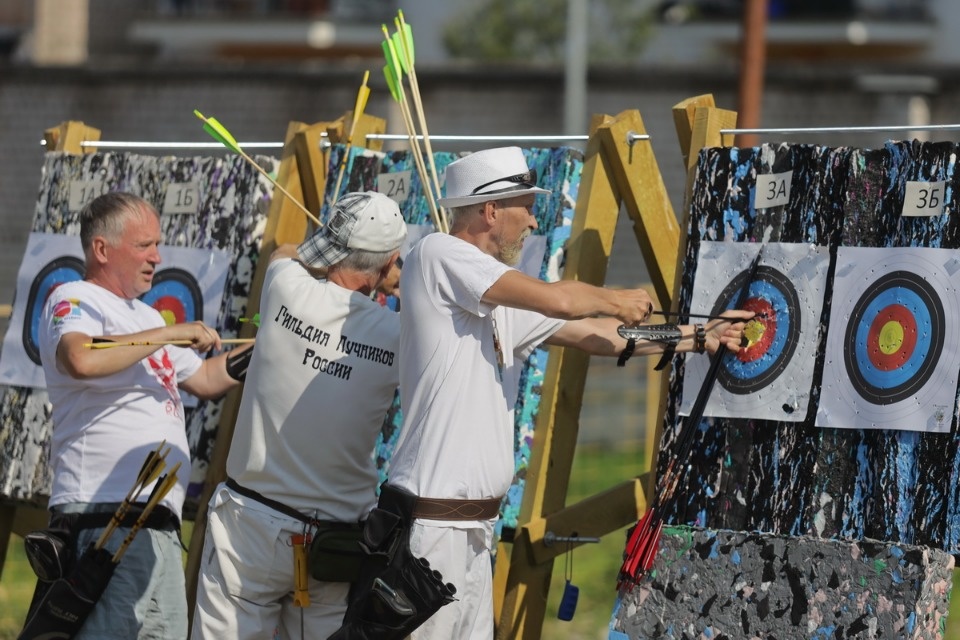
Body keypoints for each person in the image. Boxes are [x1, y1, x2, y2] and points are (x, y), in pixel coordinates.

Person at [386, 146, 753, 639]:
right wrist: (613, 297)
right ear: (491, 210)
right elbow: (561, 300)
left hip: (472, 532)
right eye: (527, 208)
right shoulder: (439, 254)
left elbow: (598, 337)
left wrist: (697, 336)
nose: (533, 223)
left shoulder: (491, 296)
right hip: (434, 531)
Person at [35, 191, 252, 639]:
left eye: (157, 245)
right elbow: (81, 358)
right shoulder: (74, 296)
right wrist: (170, 331)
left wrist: (267, 350)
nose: (156, 256)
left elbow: (208, 379)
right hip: (104, 513)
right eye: (144, 245)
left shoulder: (146, 317)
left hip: (155, 520)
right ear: (101, 249)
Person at [191, 191, 407, 639]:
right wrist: (391, 278)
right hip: (332, 541)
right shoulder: (398, 336)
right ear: (389, 265)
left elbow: (285, 250)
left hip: (249, 526)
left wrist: (329, 242)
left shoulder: (285, 284)